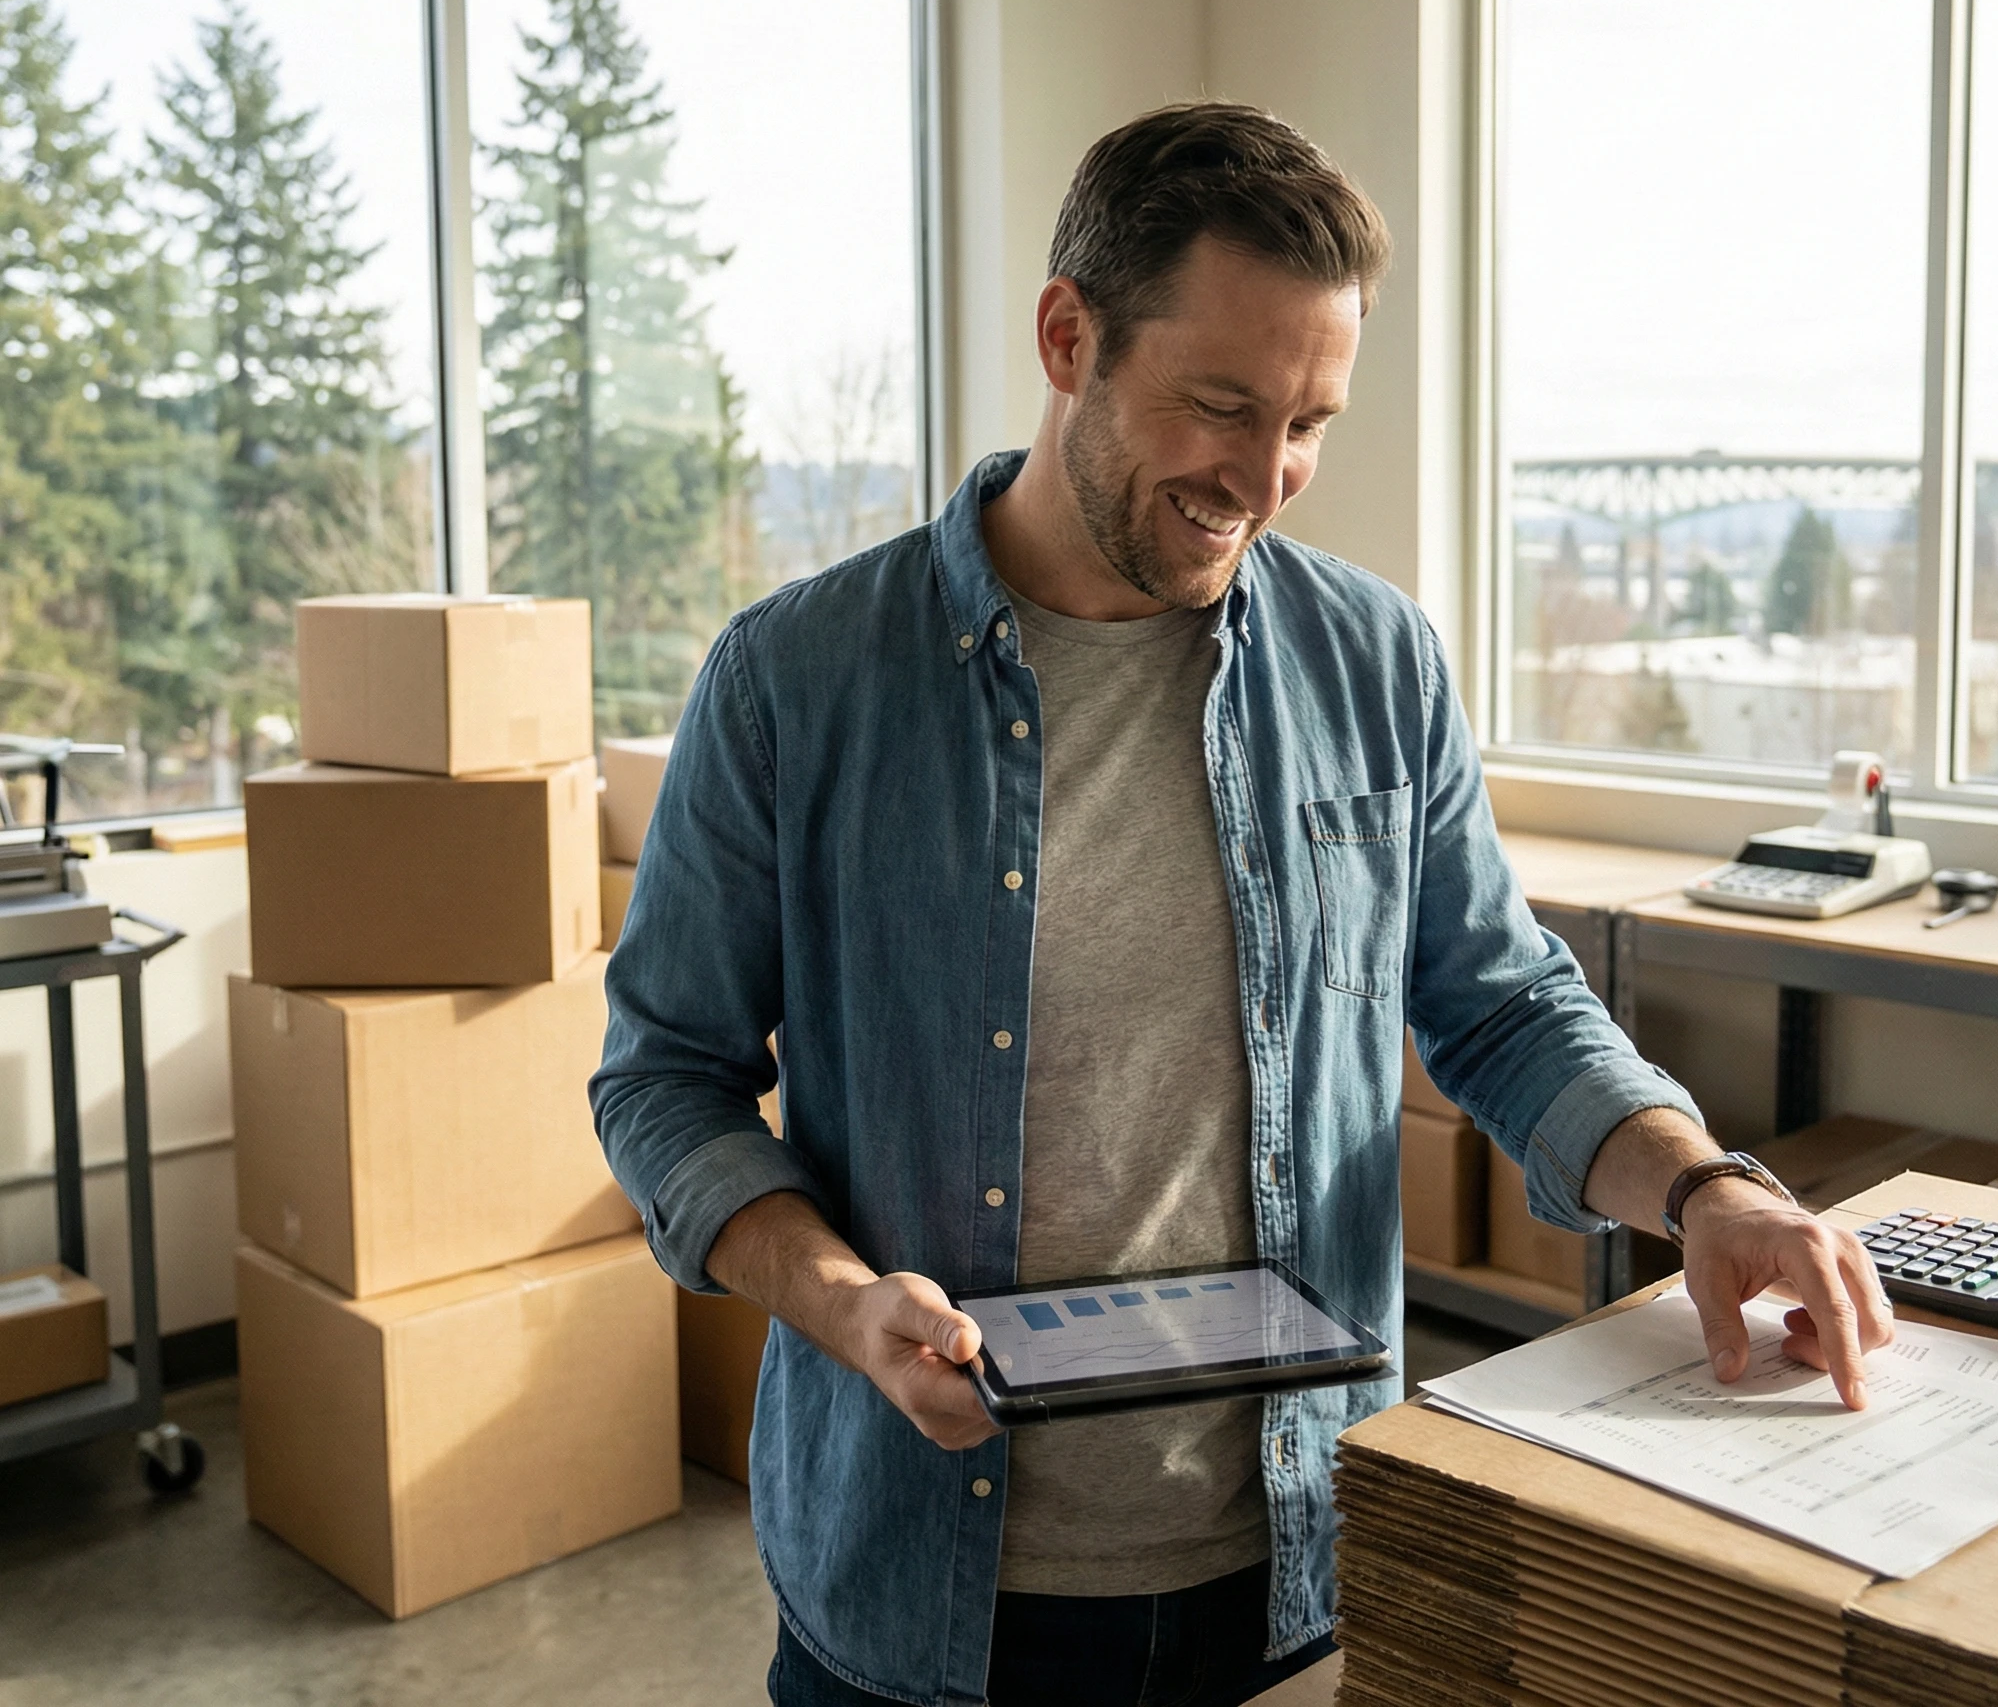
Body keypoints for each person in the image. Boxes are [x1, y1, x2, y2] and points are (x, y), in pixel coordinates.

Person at [593, 103, 1892, 1707]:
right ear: (1070, 337)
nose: (1262, 479)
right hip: (916, 1581)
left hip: (1298, 1558)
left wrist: (1704, 1188)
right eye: (1220, 406)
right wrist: (841, 1301)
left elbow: (1499, 1001)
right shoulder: (794, 682)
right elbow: (664, 1081)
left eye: (1309, 422)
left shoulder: (1376, 660)